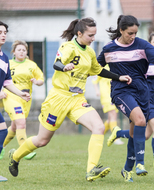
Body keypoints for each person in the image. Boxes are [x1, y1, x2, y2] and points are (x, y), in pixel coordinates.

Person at [8, 17, 132, 182]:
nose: (93, 38)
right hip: (58, 98)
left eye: (95, 35)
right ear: (79, 33)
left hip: (77, 99)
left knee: (99, 127)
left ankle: (91, 170)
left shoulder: (90, 52)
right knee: (42, 140)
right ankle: (15, 156)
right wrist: (64, 67)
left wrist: (119, 77)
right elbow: (56, 63)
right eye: (90, 35)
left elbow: (98, 70)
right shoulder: (68, 47)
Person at [97, 15, 154, 182]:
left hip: (142, 92)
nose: (133, 36)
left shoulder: (142, 44)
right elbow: (96, 68)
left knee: (133, 133)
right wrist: (116, 76)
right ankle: (140, 164)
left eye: (135, 33)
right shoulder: (109, 49)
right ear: (121, 31)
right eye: (130, 33)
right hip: (121, 92)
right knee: (140, 121)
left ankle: (127, 169)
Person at [106, 32, 154, 169]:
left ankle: (118, 133)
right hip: (145, 100)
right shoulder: (143, 62)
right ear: (149, 44)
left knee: (145, 136)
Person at [0, 40, 44, 161]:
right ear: (13, 52)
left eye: (24, 50)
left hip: (25, 99)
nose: (22, 52)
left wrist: (37, 82)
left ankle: (1, 147)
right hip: (10, 97)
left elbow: (41, 79)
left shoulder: (31, 65)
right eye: (19, 50)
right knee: (21, 123)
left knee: (14, 127)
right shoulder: (7, 63)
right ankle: (24, 150)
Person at [0, 21, 31, 182]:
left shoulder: (4, 58)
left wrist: (21, 94)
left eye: (5, 32)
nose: (3, 35)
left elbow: (7, 83)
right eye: (0, 32)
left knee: (3, 132)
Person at [92, 65, 124, 145]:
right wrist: (97, 91)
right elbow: (95, 79)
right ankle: (116, 138)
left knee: (110, 119)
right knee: (113, 114)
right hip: (106, 95)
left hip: (114, 94)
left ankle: (98, 135)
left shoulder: (114, 64)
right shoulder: (102, 65)